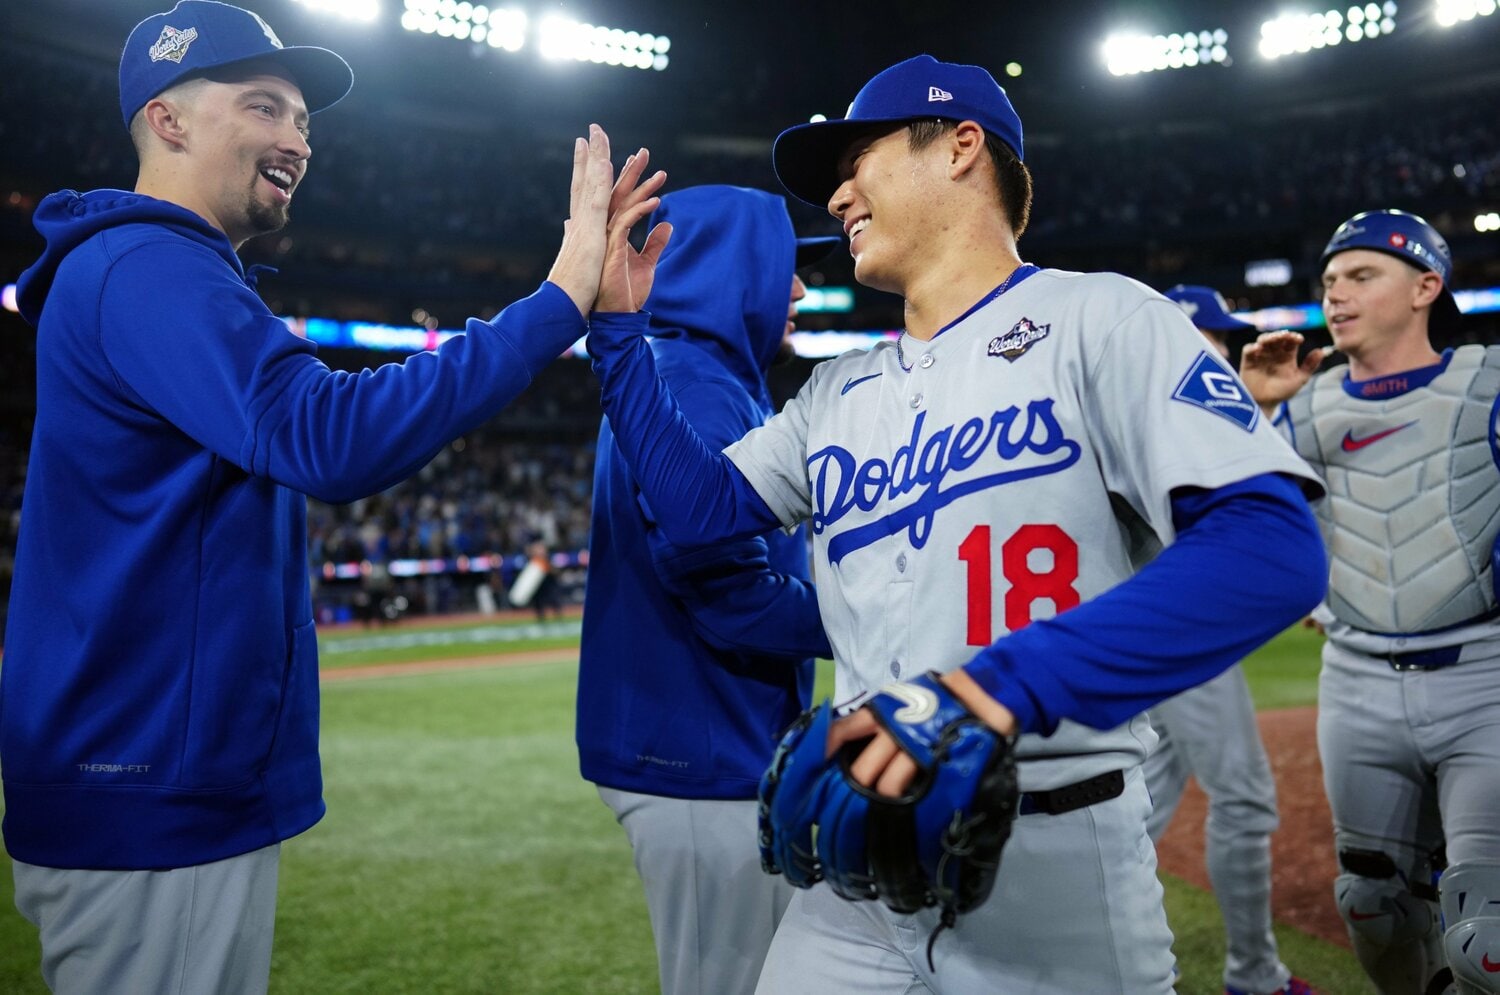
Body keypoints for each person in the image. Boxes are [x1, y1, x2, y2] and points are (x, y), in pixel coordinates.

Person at [585, 54, 1327, 994]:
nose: (840, 193)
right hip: (855, 867)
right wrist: (617, 334)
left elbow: (1273, 547)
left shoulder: (1101, 317)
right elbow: (697, 516)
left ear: (962, 147)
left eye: (861, 157)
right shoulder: (836, 390)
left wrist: (992, 688)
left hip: (1053, 856)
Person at [0, 2, 664, 991]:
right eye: (265, 107)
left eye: (305, 120)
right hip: (146, 780)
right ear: (168, 120)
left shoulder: (155, 269)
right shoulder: (149, 265)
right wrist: (560, 297)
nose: (296, 138)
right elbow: (329, 435)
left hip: (145, 769)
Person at [577, 184, 839, 995]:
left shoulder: (695, 372)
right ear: (736, 269)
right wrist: (877, 614)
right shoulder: (693, 379)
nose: (797, 289)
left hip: (710, 739)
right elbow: (734, 598)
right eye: (784, 267)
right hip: (695, 751)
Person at [1240, 210, 1500, 995]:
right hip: (1355, 680)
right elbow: (1226, 527)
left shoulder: (1487, 384)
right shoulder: (1299, 412)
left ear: (1427, 286)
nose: (1336, 295)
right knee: (1371, 903)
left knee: (1485, 935)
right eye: (1328, 282)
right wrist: (1252, 413)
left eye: (1361, 275)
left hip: (1483, 678)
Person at [1145, 285, 1311, 995]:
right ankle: (1255, 975)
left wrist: (1259, 407)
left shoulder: (1152, 406)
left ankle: (1098, 954)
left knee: (1137, 804)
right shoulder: (1160, 406)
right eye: (1214, 336)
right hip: (1174, 635)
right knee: (1242, 797)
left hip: (1146, 638)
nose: (1223, 349)